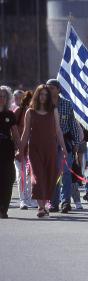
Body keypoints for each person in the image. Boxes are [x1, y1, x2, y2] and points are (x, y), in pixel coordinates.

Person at [20, 84, 67, 217]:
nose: (43, 97)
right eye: (41, 94)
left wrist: (64, 148)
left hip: (50, 148)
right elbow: (25, 133)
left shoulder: (53, 111)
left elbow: (58, 130)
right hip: (35, 149)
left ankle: (45, 205)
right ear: (37, 95)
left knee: (50, 176)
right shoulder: (30, 112)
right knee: (38, 177)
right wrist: (20, 148)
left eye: (46, 95)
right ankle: (41, 207)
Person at [46, 79, 81, 213]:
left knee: (66, 173)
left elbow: (72, 125)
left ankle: (66, 202)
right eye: (48, 87)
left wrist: (76, 143)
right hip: (48, 143)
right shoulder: (44, 104)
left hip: (64, 143)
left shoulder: (66, 104)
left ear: (58, 89)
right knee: (53, 173)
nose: (49, 90)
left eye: (52, 88)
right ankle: (53, 203)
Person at [0, 86, 21, 218]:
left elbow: (15, 134)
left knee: (7, 179)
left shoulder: (10, 114)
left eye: (3, 96)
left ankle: (3, 208)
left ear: (7, 99)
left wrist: (19, 149)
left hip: (6, 150)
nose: (1, 99)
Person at [13, 91, 35, 209]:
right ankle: (22, 200)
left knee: (30, 175)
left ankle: (29, 199)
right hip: (20, 148)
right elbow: (13, 128)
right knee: (21, 175)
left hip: (31, 149)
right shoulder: (19, 111)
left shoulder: (36, 113)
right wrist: (17, 146)